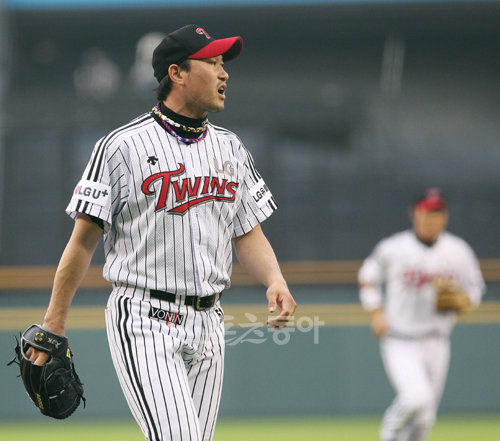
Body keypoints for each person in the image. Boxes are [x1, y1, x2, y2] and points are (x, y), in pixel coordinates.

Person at [27, 24, 296, 441]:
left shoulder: (231, 148)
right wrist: (54, 323)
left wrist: (275, 279)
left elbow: (247, 232)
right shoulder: (121, 146)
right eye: (211, 62)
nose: (224, 73)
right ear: (177, 73)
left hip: (209, 322)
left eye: (223, 64)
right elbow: (82, 243)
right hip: (145, 318)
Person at [358, 188, 484, 441]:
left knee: (425, 419)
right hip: (400, 338)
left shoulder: (458, 250)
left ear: (445, 216)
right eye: (427, 212)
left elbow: (475, 287)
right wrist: (377, 313)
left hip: (437, 340)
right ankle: (389, 434)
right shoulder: (393, 247)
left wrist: (465, 300)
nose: (433, 218)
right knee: (416, 398)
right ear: (414, 213)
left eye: (438, 213)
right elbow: (367, 278)